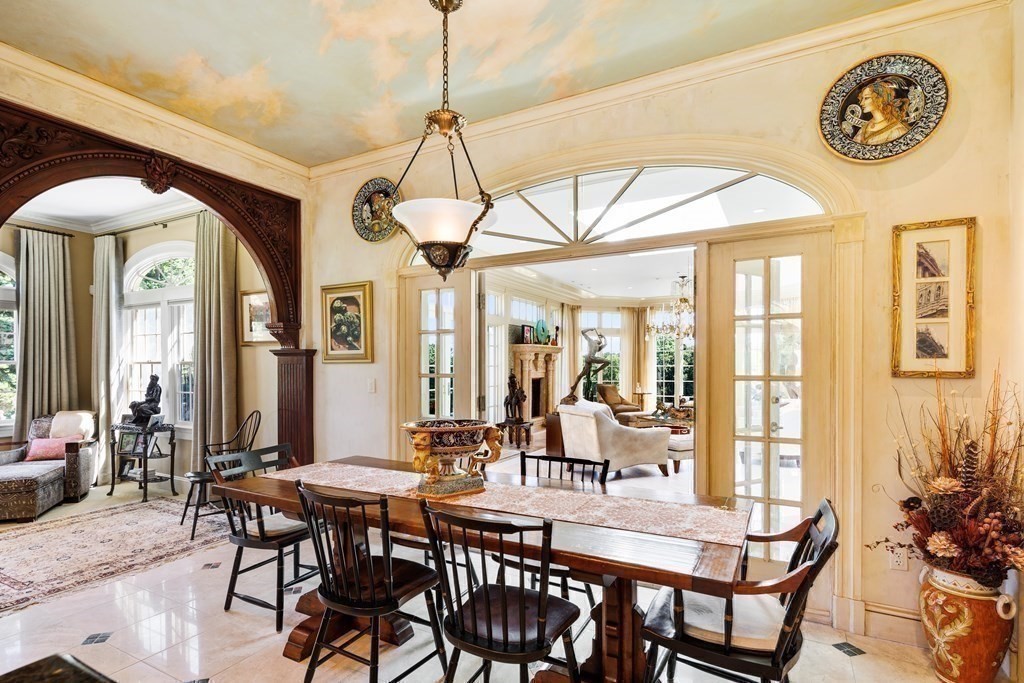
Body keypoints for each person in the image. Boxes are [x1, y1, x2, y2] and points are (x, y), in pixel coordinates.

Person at [851, 78, 911, 146]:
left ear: (879, 99)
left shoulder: (896, 130)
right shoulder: (865, 127)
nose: (861, 103)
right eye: (862, 99)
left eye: (866, 98)